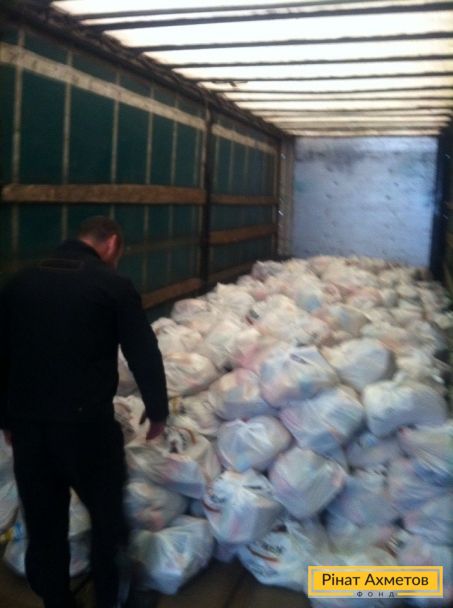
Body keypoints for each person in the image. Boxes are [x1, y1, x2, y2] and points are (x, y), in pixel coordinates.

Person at [0, 216, 169, 608]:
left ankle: (57, 601)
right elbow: (142, 351)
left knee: (44, 525)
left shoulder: (19, 283)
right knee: (108, 522)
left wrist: (5, 418)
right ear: (111, 243)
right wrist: (157, 409)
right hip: (86, 429)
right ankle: (111, 599)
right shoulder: (112, 285)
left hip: (29, 428)